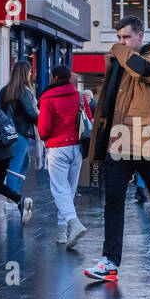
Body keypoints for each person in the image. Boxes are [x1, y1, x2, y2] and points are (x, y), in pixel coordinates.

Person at [84, 16, 150, 281]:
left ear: (140, 35)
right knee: (113, 199)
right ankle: (110, 260)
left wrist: (118, 50)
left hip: (148, 139)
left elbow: (145, 70)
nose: (121, 43)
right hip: (120, 139)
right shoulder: (119, 64)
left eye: (126, 37)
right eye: (119, 38)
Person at [37, 64, 89, 249]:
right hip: (77, 147)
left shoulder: (47, 99)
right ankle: (61, 232)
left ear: (55, 78)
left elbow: (43, 130)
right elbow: (88, 119)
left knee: (59, 190)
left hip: (58, 148)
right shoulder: (80, 96)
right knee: (69, 191)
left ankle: (74, 223)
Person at [0, 60, 39, 212]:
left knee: (23, 163)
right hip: (20, 134)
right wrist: (43, 119)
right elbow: (31, 113)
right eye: (29, 72)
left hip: (6, 133)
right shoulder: (23, 91)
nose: (30, 74)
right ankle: (11, 200)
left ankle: (14, 194)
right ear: (25, 73)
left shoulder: (4, 90)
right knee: (16, 165)